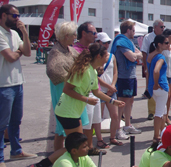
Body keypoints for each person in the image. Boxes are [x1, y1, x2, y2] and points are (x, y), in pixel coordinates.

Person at [0, 4, 36, 167]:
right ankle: (0, 159)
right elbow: (11, 56)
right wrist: (19, 51)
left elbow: (27, 52)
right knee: (2, 124)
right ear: (3, 15)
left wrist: (25, 34)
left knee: (15, 120)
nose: (17, 18)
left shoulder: (14, 34)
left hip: (17, 83)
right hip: (3, 85)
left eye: (18, 15)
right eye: (14, 16)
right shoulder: (0, 33)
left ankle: (16, 150)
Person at [46, 21, 83, 152]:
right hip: (62, 91)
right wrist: (72, 76)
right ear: (66, 35)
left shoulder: (70, 49)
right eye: (73, 34)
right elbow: (53, 72)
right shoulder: (55, 51)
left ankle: (66, 154)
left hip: (71, 90)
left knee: (69, 125)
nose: (75, 37)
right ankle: (59, 156)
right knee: (63, 127)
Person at [73, 21, 104, 154]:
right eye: (93, 33)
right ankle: (83, 150)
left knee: (93, 122)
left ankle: (90, 147)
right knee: (85, 123)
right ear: (84, 34)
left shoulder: (90, 49)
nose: (95, 36)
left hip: (94, 90)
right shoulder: (75, 51)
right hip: (84, 93)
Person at [111, 20, 143, 135]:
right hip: (123, 77)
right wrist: (136, 55)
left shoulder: (129, 43)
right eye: (133, 30)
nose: (134, 33)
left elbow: (139, 54)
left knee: (129, 101)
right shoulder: (121, 42)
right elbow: (132, 57)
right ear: (128, 30)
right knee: (121, 102)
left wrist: (136, 55)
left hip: (131, 76)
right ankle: (118, 129)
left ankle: (127, 125)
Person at [96, 32, 127, 146]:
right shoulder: (94, 57)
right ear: (98, 42)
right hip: (98, 90)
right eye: (104, 42)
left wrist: (113, 85)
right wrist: (109, 86)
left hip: (111, 91)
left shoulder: (111, 56)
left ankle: (112, 137)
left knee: (115, 116)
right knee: (97, 117)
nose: (107, 45)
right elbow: (95, 76)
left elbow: (115, 72)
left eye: (108, 42)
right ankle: (99, 139)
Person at [147, 34, 170, 142]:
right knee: (160, 112)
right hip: (160, 87)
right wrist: (157, 83)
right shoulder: (161, 57)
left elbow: (148, 71)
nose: (168, 44)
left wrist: (152, 85)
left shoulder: (151, 55)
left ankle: (163, 132)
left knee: (163, 110)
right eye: (166, 43)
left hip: (153, 88)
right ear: (159, 44)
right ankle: (157, 136)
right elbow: (156, 71)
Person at [141, 20, 165, 120]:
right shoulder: (148, 37)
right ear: (155, 27)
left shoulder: (164, 37)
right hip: (151, 65)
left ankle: (162, 111)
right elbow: (144, 52)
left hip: (162, 65)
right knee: (151, 87)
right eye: (161, 27)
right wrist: (145, 66)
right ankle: (151, 111)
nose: (163, 29)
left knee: (162, 88)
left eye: (164, 27)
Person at [161, 28, 171, 124]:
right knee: (164, 96)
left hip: (170, 74)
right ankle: (162, 116)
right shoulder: (163, 48)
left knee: (169, 96)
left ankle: (166, 116)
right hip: (163, 75)